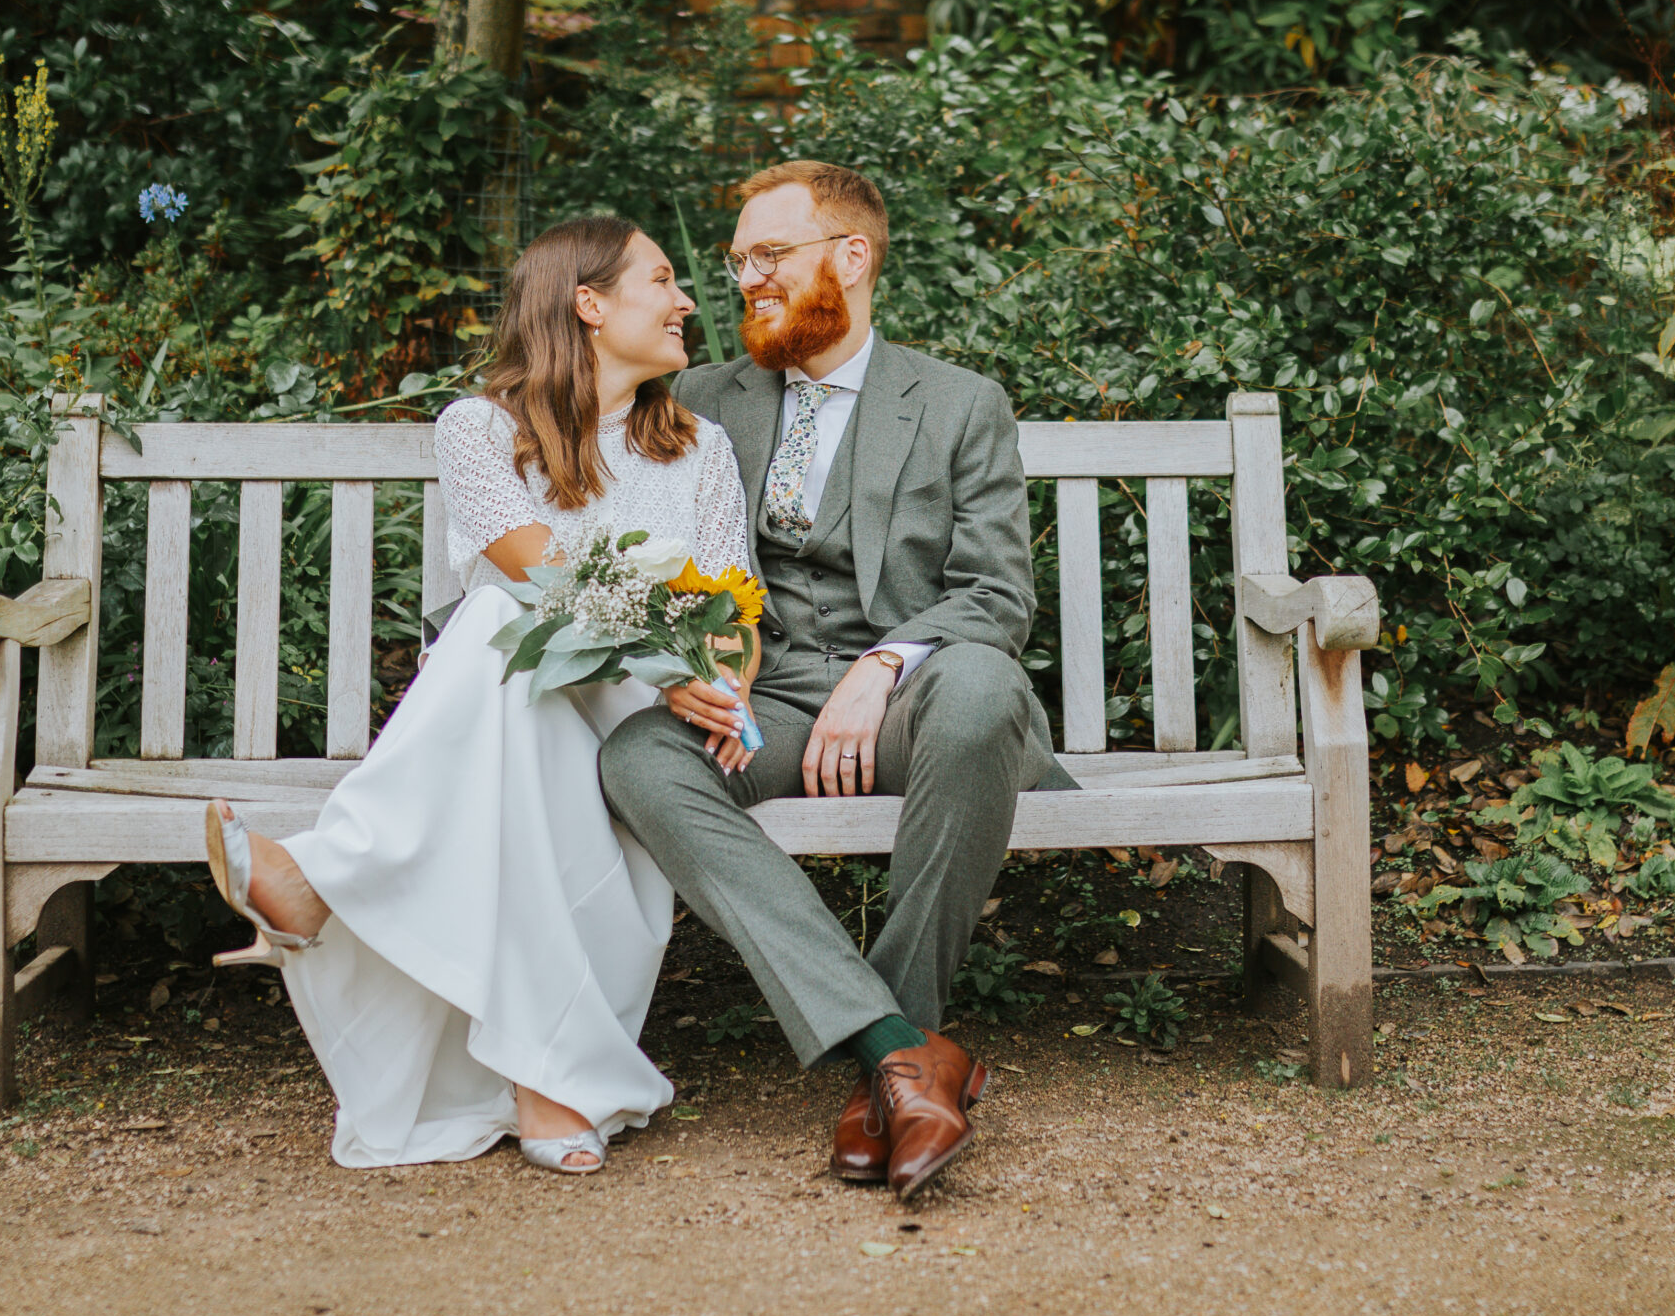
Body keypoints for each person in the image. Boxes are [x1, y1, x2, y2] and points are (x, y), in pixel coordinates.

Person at [200, 215, 751, 1174]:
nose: (686, 301)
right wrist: (671, 644)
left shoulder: (701, 448)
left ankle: (322, 875)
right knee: (502, 629)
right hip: (526, 711)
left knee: (497, 641)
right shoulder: (480, 430)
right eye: (661, 280)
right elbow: (530, 569)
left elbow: (732, 605)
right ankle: (546, 1084)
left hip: (641, 719)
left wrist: (717, 683)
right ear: (589, 303)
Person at [599, 160, 1075, 1203]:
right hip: (763, 704)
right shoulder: (703, 397)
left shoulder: (958, 404)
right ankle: (903, 1056)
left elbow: (995, 597)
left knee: (985, 691)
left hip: (915, 704)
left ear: (850, 258)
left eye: (768, 255)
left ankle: (885, 1068)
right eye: (736, 263)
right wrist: (692, 667)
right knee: (639, 754)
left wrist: (882, 662)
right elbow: (612, 510)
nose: (744, 281)